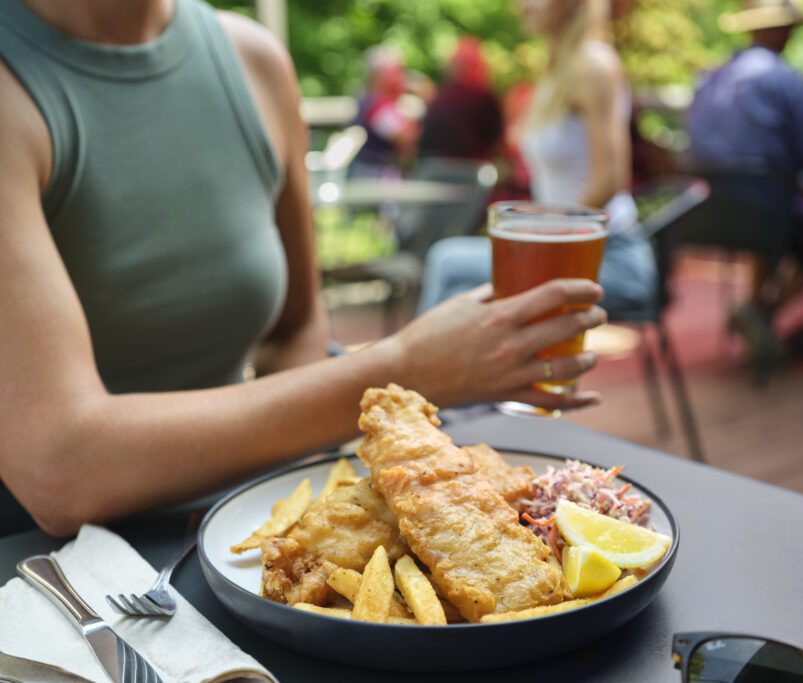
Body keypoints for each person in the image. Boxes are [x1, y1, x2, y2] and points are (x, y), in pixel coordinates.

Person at [0, 0, 606, 537]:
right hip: (40, 570)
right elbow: (61, 470)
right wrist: (405, 368)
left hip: (228, 522)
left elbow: (296, 325)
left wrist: (283, 513)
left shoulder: (253, 60)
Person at [417, 0, 657, 317]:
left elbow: (611, 180)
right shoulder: (559, 70)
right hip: (563, 247)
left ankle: (417, 366)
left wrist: (542, 234)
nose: (521, 5)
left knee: (450, 266)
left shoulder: (594, 65)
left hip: (609, 257)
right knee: (454, 277)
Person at [685, 0, 803, 362]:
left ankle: (756, 312)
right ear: (779, 31)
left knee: (770, 210)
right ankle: (764, 311)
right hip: (766, 211)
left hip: (706, 211)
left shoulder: (711, 75)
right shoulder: (784, 79)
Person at [417, 36, 504, 162]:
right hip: (469, 172)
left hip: (432, 168)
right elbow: (497, 142)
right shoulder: (484, 99)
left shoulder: (440, 96)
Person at [349, 45, 421, 177]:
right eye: (398, 72)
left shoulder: (377, 101)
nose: (402, 77)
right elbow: (406, 138)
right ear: (381, 75)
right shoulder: (376, 106)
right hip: (375, 178)